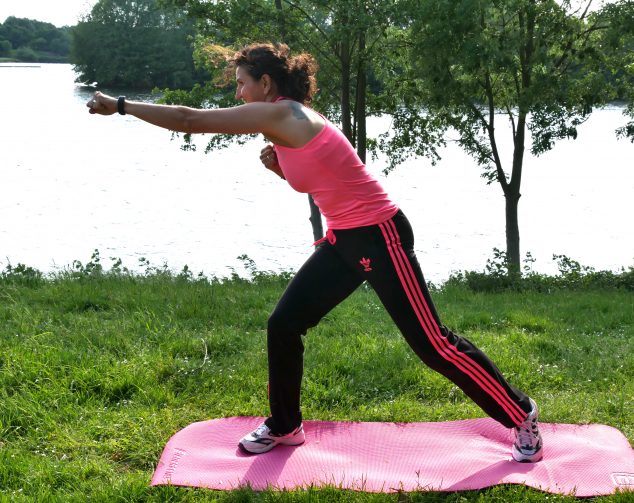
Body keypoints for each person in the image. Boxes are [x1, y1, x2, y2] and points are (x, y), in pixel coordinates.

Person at [86, 42, 543, 463]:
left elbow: (190, 119)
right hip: (343, 240)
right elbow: (325, 183)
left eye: (242, 84)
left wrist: (121, 106)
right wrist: (281, 172)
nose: (239, 93)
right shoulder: (285, 123)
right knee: (284, 323)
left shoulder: (285, 115)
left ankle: (521, 414)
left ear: (266, 83)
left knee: (433, 345)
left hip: (379, 236)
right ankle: (285, 425)